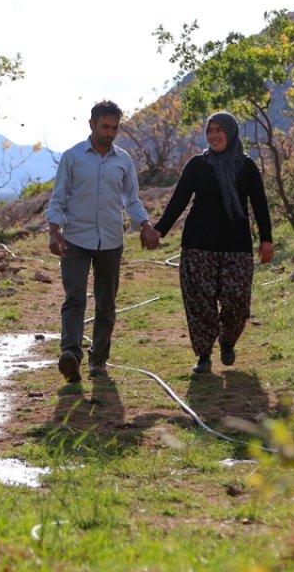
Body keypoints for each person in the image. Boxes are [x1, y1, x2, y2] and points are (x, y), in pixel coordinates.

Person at [46, 100, 161, 383]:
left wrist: (145, 225)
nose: (110, 133)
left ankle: (99, 360)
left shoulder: (123, 160)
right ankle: (70, 354)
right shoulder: (72, 157)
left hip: (111, 240)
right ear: (92, 125)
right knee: (74, 299)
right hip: (75, 239)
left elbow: (131, 199)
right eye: (105, 127)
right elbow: (59, 197)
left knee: (106, 303)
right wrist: (53, 231)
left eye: (115, 128)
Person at [152, 111, 273, 373]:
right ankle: (204, 355)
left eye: (220, 130)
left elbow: (260, 204)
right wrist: (158, 231)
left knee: (237, 300)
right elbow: (179, 200)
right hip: (198, 245)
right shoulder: (197, 165)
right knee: (200, 303)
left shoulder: (246, 166)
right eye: (210, 130)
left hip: (237, 246)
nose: (214, 135)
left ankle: (227, 341)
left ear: (231, 133)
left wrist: (266, 239)